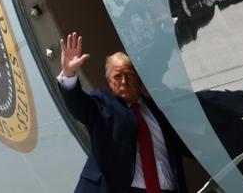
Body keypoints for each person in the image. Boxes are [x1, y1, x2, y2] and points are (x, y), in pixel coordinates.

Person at [58, 32, 188, 193]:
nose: (124, 81)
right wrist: (69, 74)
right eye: (118, 76)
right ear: (109, 82)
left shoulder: (159, 109)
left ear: (139, 77)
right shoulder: (102, 103)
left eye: (129, 75)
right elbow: (78, 105)